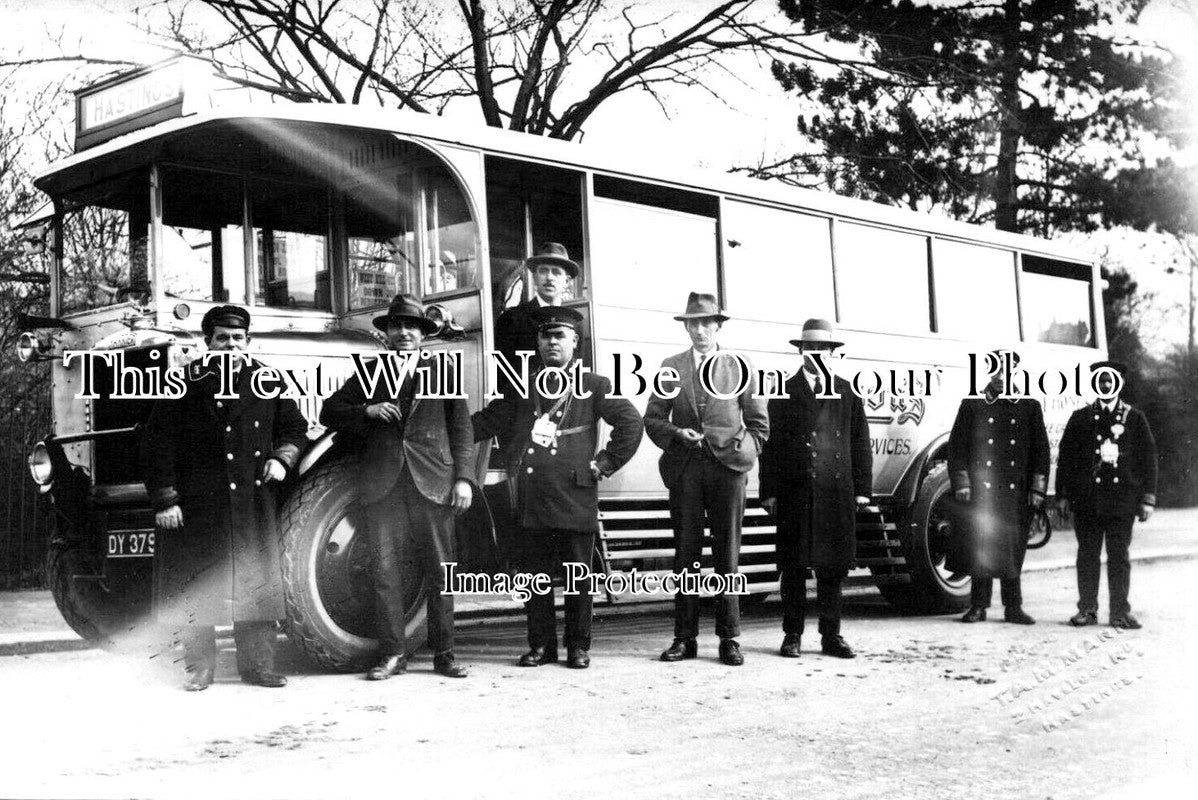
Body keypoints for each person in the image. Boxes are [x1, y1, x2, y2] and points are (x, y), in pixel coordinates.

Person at [142, 305, 309, 691]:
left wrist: (282, 460)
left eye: (238, 338)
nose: (230, 345)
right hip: (200, 505)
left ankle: (258, 667)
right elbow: (157, 444)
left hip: (250, 502)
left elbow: (295, 428)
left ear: (248, 342)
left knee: (255, 583)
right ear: (208, 342)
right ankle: (199, 669)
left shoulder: (267, 380)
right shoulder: (183, 382)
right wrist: (166, 500)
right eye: (222, 338)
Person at [472, 306, 643, 669]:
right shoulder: (522, 384)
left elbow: (630, 422)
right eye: (546, 336)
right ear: (537, 342)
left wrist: (605, 462)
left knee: (578, 576)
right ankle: (541, 647)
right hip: (533, 496)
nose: (552, 342)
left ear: (574, 344)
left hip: (575, 494)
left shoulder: (594, 385)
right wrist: (447, 432)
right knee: (535, 578)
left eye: (560, 336)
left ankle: (578, 647)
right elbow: (490, 420)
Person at [320, 293, 475, 680]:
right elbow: (329, 412)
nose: (404, 333)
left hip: (433, 483)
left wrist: (464, 479)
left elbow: (461, 429)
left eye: (411, 327)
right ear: (386, 333)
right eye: (397, 327)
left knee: (442, 571)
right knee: (384, 572)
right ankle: (392, 656)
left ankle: (445, 655)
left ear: (422, 335)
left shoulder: (443, 372)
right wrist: (366, 411)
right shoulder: (369, 372)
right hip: (382, 484)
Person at [644, 292, 768, 667]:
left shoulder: (739, 365)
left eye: (705, 323)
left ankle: (729, 638)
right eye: (692, 323)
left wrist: (739, 453)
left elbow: (759, 426)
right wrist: (675, 434)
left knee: (727, 555)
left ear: (718, 325)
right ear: (686, 327)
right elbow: (652, 418)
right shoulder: (671, 367)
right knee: (686, 555)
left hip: (727, 472)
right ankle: (685, 638)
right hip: (686, 471)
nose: (699, 330)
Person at [759, 319, 871, 659]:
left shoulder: (846, 391)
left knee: (832, 568)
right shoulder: (784, 391)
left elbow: (859, 441)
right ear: (801, 351)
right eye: (811, 348)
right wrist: (769, 491)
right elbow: (771, 446)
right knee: (793, 567)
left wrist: (862, 489)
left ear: (832, 353)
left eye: (824, 349)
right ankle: (792, 634)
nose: (817, 354)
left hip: (835, 493)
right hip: (796, 492)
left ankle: (831, 636)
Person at [948, 349, 1049, 625]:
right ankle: (978, 606)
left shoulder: (1028, 405)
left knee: (1013, 548)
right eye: (997, 371)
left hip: (1016, 491)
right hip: (983, 491)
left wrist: (1038, 490)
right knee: (982, 545)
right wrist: (962, 483)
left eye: (1008, 371)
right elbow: (956, 447)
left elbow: (1041, 450)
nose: (1002, 377)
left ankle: (1013, 608)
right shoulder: (973, 404)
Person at [1056, 360, 1157, 629]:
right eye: (1100, 381)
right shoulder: (1081, 418)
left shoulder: (1134, 418)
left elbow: (1148, 459)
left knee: (1118, 557)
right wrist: (1064, 495)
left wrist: (1148, 498)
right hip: (1088, 501)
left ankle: (1119, 612)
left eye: (1110, 381)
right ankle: (1087, 610)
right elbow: (1066, 459)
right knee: (1087, 555)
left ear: (1119, 384)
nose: (1105, 385)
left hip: (1122, 502)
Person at [493, 242, 578, 375]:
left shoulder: (575, 323)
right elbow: (502, 374)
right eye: (543, 271)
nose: (549, 277)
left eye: (556, 272)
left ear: (566, 281)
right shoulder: (512, 319)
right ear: (534, 277)